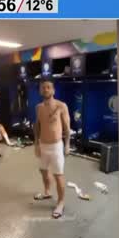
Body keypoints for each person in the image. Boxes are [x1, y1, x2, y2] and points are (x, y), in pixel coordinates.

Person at [33, 79, 71, 219]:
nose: (45, 89)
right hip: (43, 145)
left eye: (48, 87)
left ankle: (61, 202)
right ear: (40, 90)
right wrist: (36, 143)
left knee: (58, 175)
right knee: (43, 171)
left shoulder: (61, 106)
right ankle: (47, 192)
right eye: (43, 87)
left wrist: (67, 145)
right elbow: (37, 126)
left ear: (53, 90)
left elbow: (67, 127)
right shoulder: (38, 107)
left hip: (56, 146)